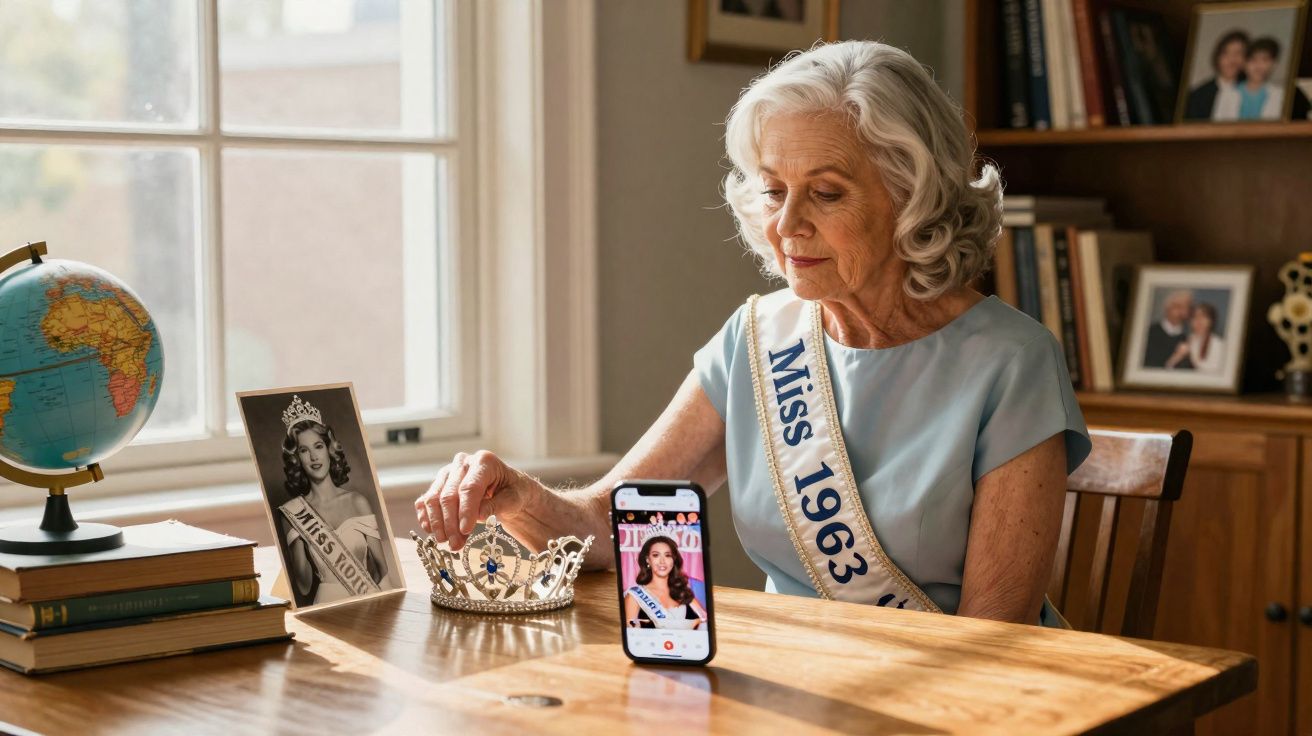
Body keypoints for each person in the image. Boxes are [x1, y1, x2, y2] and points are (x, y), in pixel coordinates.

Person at [416, 41, 1090, 627]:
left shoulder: (1012, 363)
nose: (786, 224)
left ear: (914, 196)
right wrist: (518, 494)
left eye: (825, 193)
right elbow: (611, 523)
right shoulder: (756, 339)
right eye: (773, 191)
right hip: (790, 690)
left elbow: (993, 641)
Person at [278, 395, 388, 605]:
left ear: (329, 449)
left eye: (318, 446)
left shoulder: (358, 502)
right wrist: (297, 535)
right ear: (297, 459)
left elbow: (382, 569)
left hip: (364, 603)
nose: (313, 457)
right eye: (304, 450)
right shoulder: (294, 512)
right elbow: (304, 586)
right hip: (324, 606)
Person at [624, 536, 708, 629]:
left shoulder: (683, 592)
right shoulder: (634, 596)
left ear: (674, 560)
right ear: (648, 559)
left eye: (668, 555)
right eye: (656, 555)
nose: (662, 561)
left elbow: (704, 622)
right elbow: (632, 634)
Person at [1184, 30, 1248, 121]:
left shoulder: (1256, 91)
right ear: (1217, 57)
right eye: (1226, 53)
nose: (1232, 60)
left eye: (1238, 53)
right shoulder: (1196, 96)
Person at [1167, 302, 1225, 374]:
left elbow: (1214, 373)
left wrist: (1192, 361)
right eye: (1195, 317)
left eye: (1203, 316)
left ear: (1211, 321)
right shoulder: (1185, 340)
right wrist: (1179, 355)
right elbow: (1169, 367)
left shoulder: (1219, 344)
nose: (1199, 321)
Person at [1237, 37, 1284, 121]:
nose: (1258, 66)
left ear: (1273, 64)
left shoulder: (1280, 94)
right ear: (1244, 64)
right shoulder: (1228, 93)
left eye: (1264, 60)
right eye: (1253, 60)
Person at [1144, 290, 1193, 369]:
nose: (1181, 312)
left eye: (1185, 308)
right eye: (1177, 306)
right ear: (1167, 308)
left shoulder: (1187, 338)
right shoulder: (1150, 332)